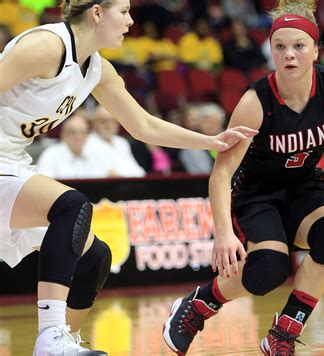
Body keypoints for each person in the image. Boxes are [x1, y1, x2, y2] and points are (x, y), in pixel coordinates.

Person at [0, 1, 258, 355]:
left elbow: (144, 125)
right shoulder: (47, 46)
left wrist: (210, 140)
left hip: (13, 160)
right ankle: (51, 339)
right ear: (96, 13)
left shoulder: (96, 70)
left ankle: (56, 347)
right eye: (123, 11)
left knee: (95, 259)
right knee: (72, 207)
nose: (131, 20)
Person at [162, 0, 324, 355]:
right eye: (280, 47)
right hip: (257, 195)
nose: (289, 54)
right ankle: (198, 305)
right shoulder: (255, 102)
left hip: (305, 184)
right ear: (271, 50)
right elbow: (222, 171)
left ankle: (282, 335)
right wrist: (224, 232)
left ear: (315, 50)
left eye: (299, 46)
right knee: (267, 272)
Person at [37, 111, 110, 179]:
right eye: (72, 132)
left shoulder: (96, 154)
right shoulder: (50, 154)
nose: (77, 137)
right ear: (63, 135)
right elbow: (44, 184)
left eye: (82, 132)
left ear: (88, 135)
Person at [85, 104, 146, 178]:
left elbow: (139, 172)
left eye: (113, 121)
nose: (109, 125)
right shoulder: (86, 142)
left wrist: (117, 174)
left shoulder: (122, 142)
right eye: (104, 121)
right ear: (94, 123)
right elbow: (92, 174)